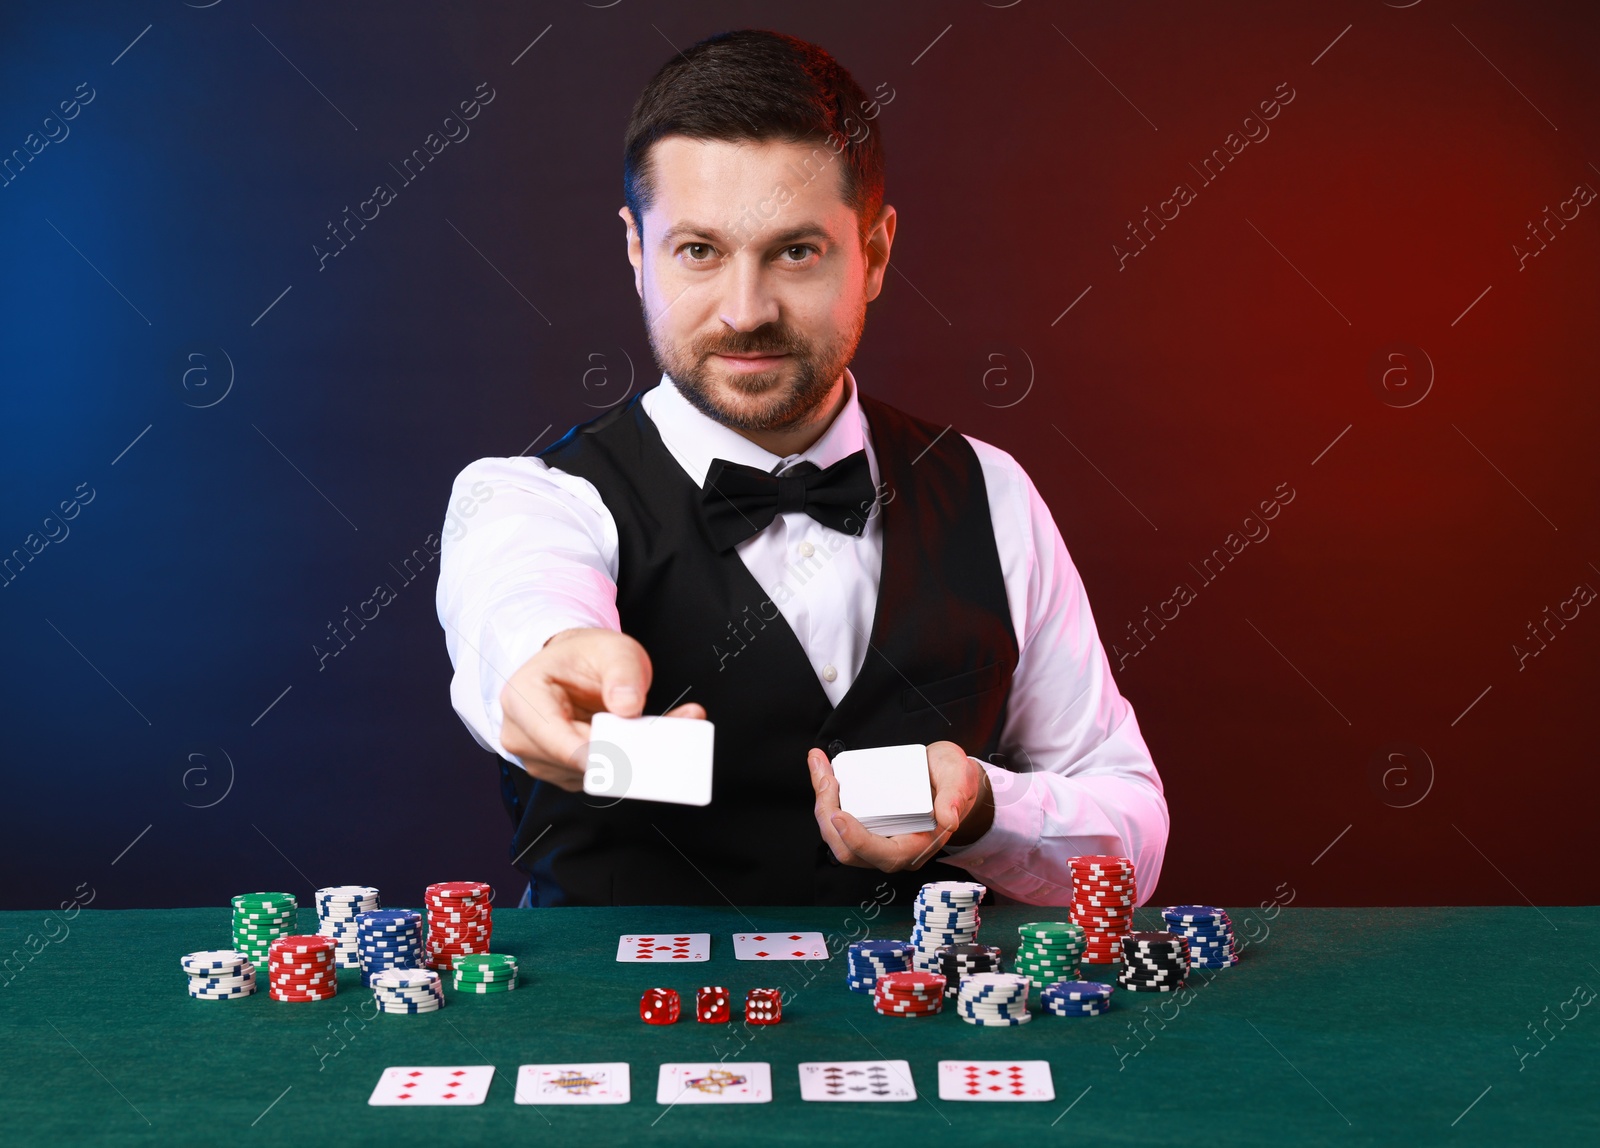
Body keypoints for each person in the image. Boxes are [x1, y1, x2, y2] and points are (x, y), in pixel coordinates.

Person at [436, 29, 1167, 907]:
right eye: (699, 251)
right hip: (621, 1033)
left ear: (878, 254)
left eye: (796, 251)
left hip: (918, 1031)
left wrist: (983, 807)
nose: (746, 312)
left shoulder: (991, 490)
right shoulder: (531, 500)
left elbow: (1130, 833)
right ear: (637, 252)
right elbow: (519, 606)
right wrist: (550, 662)